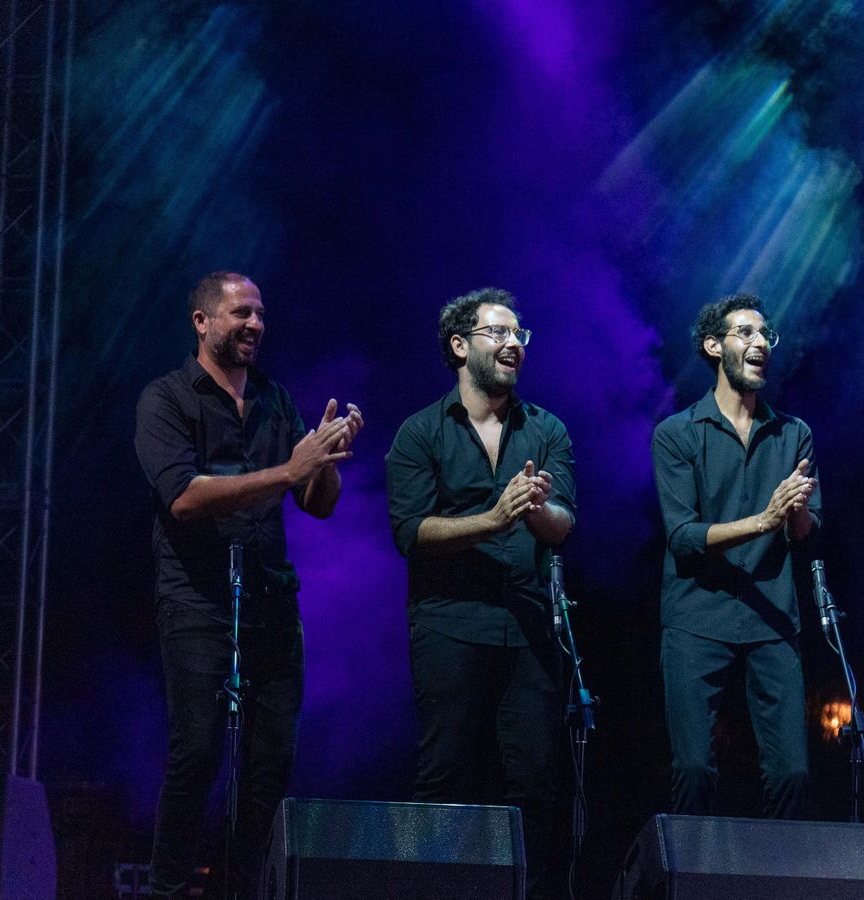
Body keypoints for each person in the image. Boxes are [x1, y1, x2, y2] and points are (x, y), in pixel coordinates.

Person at [135, 271, 362, 898]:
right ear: (202, 322)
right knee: (198, 751)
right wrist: (289, 468)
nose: (254, 324)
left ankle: (244, 888)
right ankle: (168, 888)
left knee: (269, 767)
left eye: (259, 313)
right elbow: (183, 498)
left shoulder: (274, 397)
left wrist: (326, 459)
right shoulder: (166, 399)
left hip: (270, 595)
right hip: (196, 598)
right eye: (240, 313)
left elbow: (316, 504)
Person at [384, 287, 574, 897]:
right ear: (460, 346)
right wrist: (493, 519)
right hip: (448, 622)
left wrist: (537, 511)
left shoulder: (546, 429)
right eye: (497, 332)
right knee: (444, 776)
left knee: (536, 784)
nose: (513, 343)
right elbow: (411, 533)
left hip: (527, 623)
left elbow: (565, 524)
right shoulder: (420, 432)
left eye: (519, 333)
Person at [652, 292, 820, 819]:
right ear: (712, 346)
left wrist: (793, 516)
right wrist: (766, 520)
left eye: (765, 335)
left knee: (792, 772)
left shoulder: (793, 433)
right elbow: (682, 535)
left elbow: (807, 531)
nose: (759, 344)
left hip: (772, 620)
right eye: (744, 333)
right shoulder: (677, 433)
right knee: (695, 769)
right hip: (697, 618)